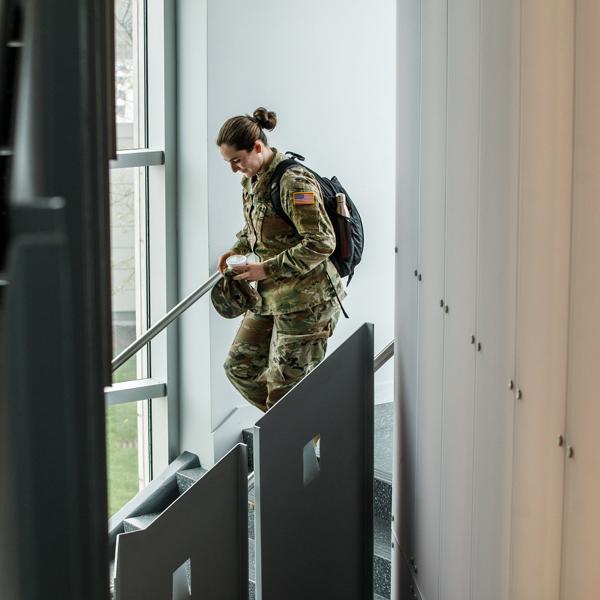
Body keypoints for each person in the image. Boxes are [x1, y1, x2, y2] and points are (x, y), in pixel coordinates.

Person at [216, 107, 346, 412]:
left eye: (237, 160)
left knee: (285, 394)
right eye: (228, 162)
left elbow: (322, 241)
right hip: (271, 296)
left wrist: (266, 268)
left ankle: (299, 437)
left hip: (308, 303)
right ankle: (303, 427)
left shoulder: (294, 183)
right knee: (239, 368)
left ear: (257, 148)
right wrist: (237, 248)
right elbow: (258, 229)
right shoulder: (253, 179)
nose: (234, 168)